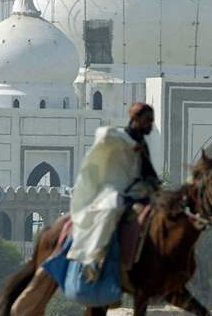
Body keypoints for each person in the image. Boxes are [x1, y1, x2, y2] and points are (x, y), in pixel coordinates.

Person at [67, 102, 160, 271]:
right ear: (135, 119)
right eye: (147, 120)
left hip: (136, 190)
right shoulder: (118, 136)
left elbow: (148, 170)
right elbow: (102, 134)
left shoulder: (142, 143)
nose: (150, 125)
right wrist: (130, 145)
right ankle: (93, 257)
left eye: (151, 121)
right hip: (114, 188)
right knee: (111, 209)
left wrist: (155, 184)